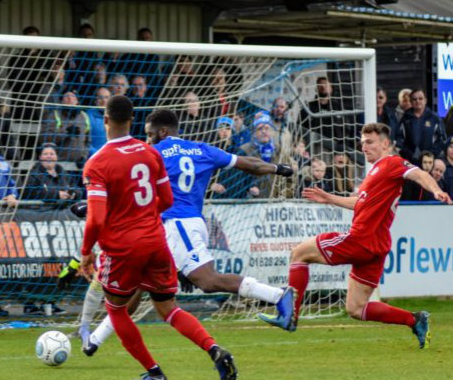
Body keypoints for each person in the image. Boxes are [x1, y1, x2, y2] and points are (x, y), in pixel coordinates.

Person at [80, 107, 295, 355]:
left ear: (162, 131)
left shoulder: (152, 153)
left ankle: (278, 296)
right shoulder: (202, 149)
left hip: (176, 224)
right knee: (137, 284)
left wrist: (90, 204)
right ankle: (93, 342)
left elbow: (128, 189)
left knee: (208, 281)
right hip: (189, 223)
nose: (147, 139)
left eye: (150, 134)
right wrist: (279, 168)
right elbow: (249, 164)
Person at [77, 95, 237, 380]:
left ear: (105, 120)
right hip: (157, 241)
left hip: (124, 247)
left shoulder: (97, 163)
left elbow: (96, 219)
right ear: (133, 120)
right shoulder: (150, 153)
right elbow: (165, 199)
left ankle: (154, 372)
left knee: (116, 308)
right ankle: (214, 349)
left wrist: (86, 252)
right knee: (168, 307)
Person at [275, 122, 448, 342]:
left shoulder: (392, 162)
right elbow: (359, 203)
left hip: (361, 239)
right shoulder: (375, 172)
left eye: (369, 142)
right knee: (356, 308)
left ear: (385, 144)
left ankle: (291, 316)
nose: (363, 146)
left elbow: (418, 174)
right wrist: (329, 198)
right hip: (377, 246)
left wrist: (436, 190)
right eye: (362, 142)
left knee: (299, 254)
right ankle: (415, 320)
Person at [41, 91, 91, 166]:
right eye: (67, 96)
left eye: (73, 96)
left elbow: (88, 141)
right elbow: (44, 138)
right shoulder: (54, 115)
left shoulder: (84, 116)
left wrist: (84, 156)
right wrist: (66, 133)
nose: (70, 98)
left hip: (79, 165)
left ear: (77, 101)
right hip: (59, 163)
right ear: (61, 101)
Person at [396, 89, 446, 164]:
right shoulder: (405, 118)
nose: (418, 101)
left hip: (430, 162)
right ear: (411, 102)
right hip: (410, 161)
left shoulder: (434, 118)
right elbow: (399, 140)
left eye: (420, 98)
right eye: (414, 99)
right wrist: (410, 155)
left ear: (425, 100)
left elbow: (442, 139)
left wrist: (430, 155)